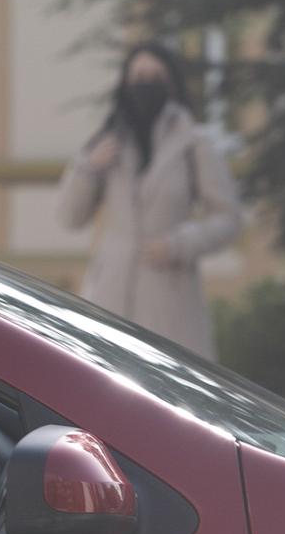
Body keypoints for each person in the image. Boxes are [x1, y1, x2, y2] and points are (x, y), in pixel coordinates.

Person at [58, 41, 244, 357]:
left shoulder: (194, 144)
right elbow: (69, 217)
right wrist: (88, 169)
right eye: (138, 75)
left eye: (155, 75)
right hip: (109, 296)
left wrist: (181, 243)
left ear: (171, 83)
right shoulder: (108, 141)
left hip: (171, 300)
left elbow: (228, 218)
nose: (145, 83)